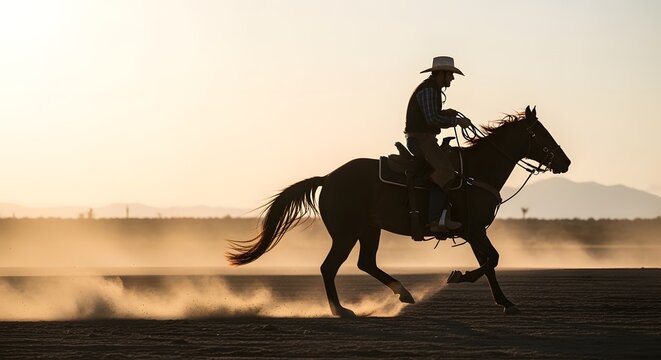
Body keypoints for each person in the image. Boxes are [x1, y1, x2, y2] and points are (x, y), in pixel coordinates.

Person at [405, 56, 473, 233]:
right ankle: (435, 220)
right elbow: (432, 118)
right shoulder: (429, 90)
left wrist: (447, 113)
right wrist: (456, 121)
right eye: (450, 74)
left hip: (424, 138)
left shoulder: (431, 89)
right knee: (445, 170)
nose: (452, 78)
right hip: (421, 140)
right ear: (441, 74)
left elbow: (432, 115)